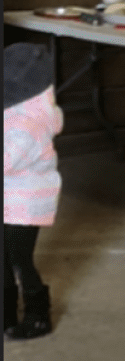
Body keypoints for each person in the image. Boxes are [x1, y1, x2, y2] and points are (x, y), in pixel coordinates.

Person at [4, 42, 62, 340]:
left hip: (25, 206)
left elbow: (6, 159)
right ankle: (6, 314)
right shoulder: (17, 112)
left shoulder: (28, 126)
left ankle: (39, 315)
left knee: (19, 260)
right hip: (9, 200)